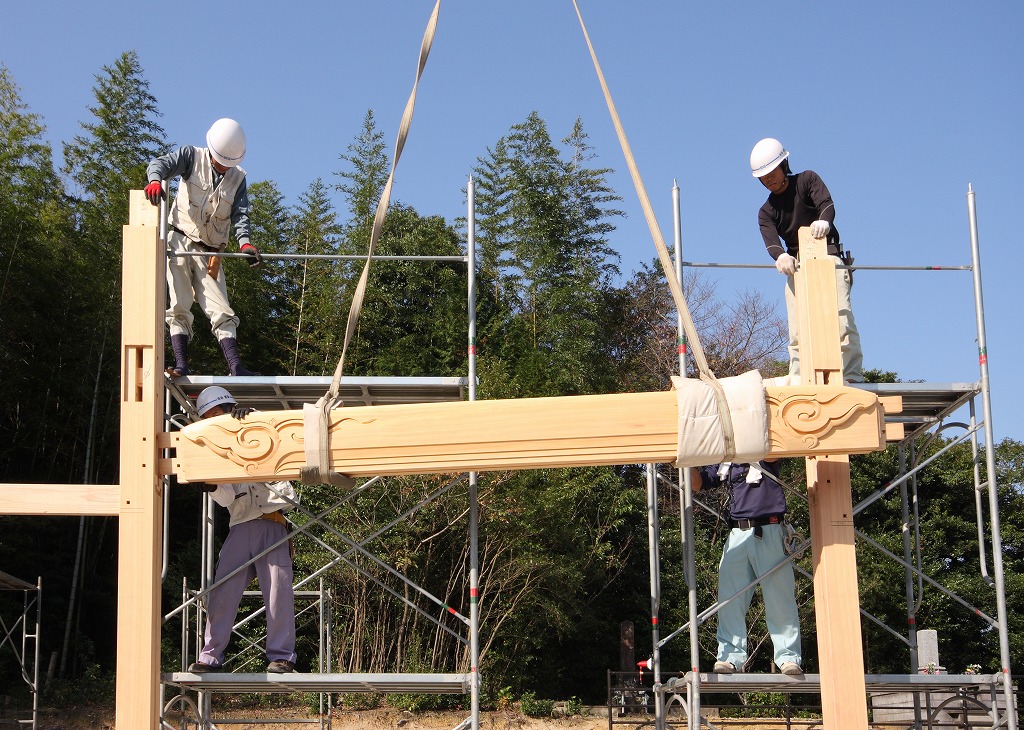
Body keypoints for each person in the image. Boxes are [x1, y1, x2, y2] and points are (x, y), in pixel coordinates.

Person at [188, 386, 297, 674]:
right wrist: (211, 486)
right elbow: (226, 496)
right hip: (240, 525)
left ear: (228, 409)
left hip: (272, 522)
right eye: (208, 417)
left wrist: (255, 421)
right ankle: (210, 657)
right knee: (223, 591)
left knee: (277, 591)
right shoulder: (218, 447)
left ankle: (282, 656)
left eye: (216, 413)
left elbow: (280, 439)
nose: (214, 420)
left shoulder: (258, 428)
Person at [145, 118, 261, 378]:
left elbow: (240, 215)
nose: (223, 167)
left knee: (221, 308)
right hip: (180, 241)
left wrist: (245, 244)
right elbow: (160, 164)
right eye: (221, 161)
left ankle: (235, 367)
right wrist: (155, 180)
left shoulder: (237, 177)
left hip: (211, 252)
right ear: (211, 150)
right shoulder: (190, 156)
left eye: (228, 164)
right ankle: (182, 363)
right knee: (180, 302)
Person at [750, 138, 863, 383]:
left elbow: (826, 204)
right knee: (798, 326)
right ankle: (801, 376)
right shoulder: (766, 211)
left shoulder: (807, 180)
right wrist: (780, 256)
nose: (768, 179)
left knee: (841, 317)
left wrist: (825, 221)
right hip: (797, 265)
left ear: (784, 164)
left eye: (771, 172)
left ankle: (852, 375)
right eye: (763, 177)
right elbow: (771, 241)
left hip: (829, 255)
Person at [691, 460, 802, 675]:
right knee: (729, 598)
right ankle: (730, 656)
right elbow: (698, 483)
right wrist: (685, 461)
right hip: (738, 532)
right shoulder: (727, 461)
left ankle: (788, 657)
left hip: (769, 528)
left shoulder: (764, 453)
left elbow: (770, 454)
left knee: (779, 597)